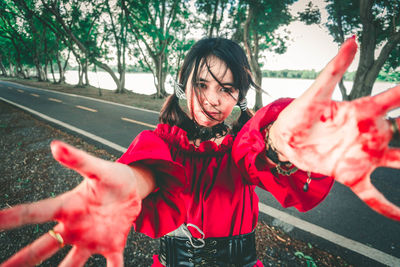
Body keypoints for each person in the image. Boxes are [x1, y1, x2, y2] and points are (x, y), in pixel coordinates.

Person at [0, 37, 399, 267]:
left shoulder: (243, 147)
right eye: (202, 84)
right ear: (180, 85)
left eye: (227, 88)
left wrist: (282, 146)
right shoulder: (161, 145)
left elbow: (265, 151)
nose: (213, 100)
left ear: (240, 96)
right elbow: (147, 173)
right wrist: (120, 188)